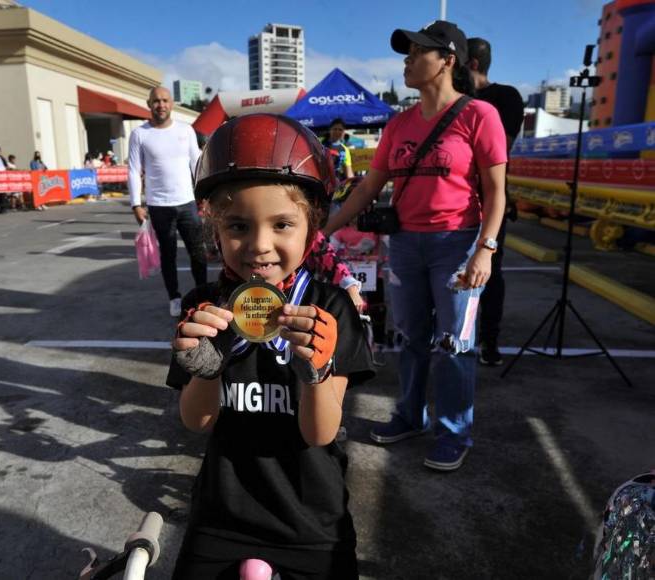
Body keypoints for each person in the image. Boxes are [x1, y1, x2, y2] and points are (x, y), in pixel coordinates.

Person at [167, 113, 374, 579]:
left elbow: (321, 433)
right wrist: (208, 369)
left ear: (312, 226)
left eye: (282, 224)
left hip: (311, 520)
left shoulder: (331, 308)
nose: (259, 246)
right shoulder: (203, 308)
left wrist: (316, 372)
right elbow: (196, 422)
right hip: (222, 514)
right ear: (214, 230)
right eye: (238, 226)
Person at [323, 20, 508, 471]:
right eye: (406, 54)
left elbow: (498, 191)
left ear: (447, 60)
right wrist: (324, 229)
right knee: (410, 339)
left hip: (457, 244)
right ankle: (410, 415)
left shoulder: (478, 116)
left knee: (454, 344)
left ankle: (453, 432)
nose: (406, 61)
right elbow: (369, 187)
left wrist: (486, 247)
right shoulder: (399, 123)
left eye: (416, 53)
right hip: (405, 242)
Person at [467, 37, 526, 366]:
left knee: (491, 268)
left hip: (489, 196)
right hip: (457, 199)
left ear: (472, 64)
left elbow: (497, 148)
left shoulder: (505, 97)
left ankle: (489, 340)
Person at [128, 86, 207, 317]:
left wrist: (205, 195)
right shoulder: (140, 134)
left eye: (164, 100)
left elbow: (197, 164)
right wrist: (136, 203)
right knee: (168, 256)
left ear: (171, 103)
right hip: (159, 206)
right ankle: (174, 297)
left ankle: (202, 296)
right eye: (156, 101)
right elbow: (134, 170)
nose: (160, 105)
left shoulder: (186, 130)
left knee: (198, 254)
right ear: (148, 104)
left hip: (187, 203)